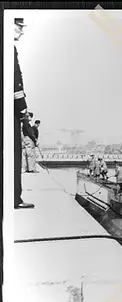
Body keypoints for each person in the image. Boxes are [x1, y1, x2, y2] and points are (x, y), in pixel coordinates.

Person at [14, 18, 34, 209]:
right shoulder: (10, 49)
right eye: (19, 27)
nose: (22, 32)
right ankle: (15, 198)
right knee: (14, 156)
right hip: (13, 111)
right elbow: (15, 81)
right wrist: (22, 108)